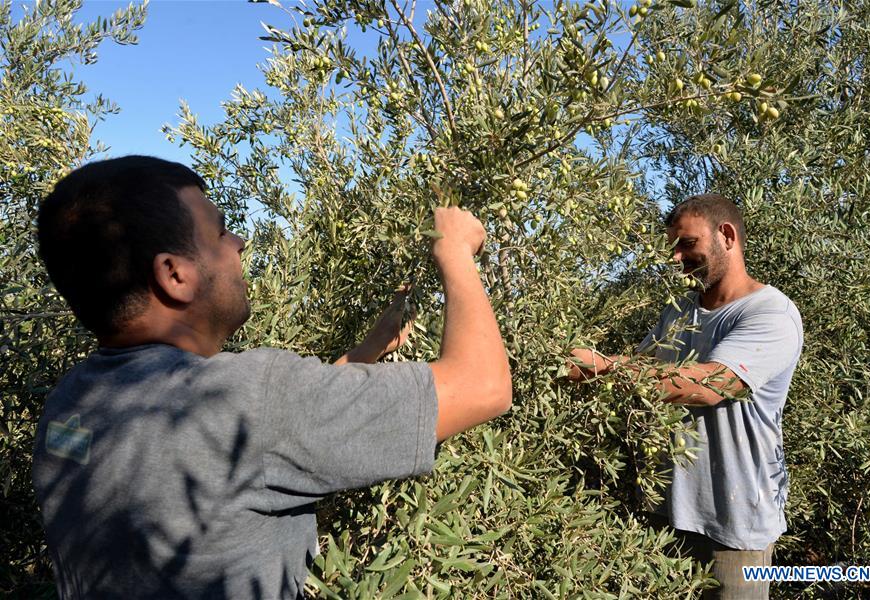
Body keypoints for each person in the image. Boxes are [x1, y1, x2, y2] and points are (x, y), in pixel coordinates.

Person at [32, 155, 512, 599]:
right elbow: (483, 387)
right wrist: (455, 253)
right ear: (174, 275)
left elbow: (275, 442)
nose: (238, 243)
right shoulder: (243, 399)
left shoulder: (69, 404)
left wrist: (368, 349)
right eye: (220, 234)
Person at [568, 194, 803, 599]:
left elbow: (709, 385)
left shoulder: (770, 313)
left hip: (733, 527)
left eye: (687, 244)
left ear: (726, 236)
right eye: (673, 248)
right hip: (666, 515)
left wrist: (603, 366)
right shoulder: (679, 310)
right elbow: (643, 366)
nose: (676, 257)